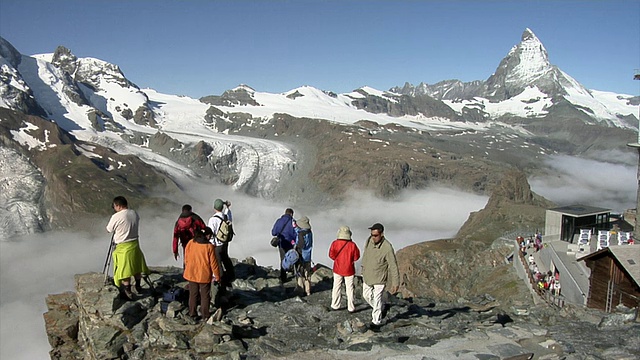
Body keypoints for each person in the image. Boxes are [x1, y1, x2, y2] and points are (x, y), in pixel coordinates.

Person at [106, 196, 150, 300]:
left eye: (114, 206)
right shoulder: (134, 213)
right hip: (134, 243)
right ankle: (138, 286)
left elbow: (109, 229)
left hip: (123, 245)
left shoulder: (116, 216)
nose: (114, 208)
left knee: (124, 268)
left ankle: (127, 290)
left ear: (118, 205)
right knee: (136, 265)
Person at [361, 223, 399, 330]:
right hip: (368, 275)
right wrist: (363, 268)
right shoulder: (369, 241)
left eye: (376, 235)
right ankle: (382, 307)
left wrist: (396, 282)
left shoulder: (387, 248)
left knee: (377, 298)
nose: (373, 237)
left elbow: (393, 265)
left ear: (382, 234)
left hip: (380, 277)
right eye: (372, 235)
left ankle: (376, 322)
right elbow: (366, 255)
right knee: (366, 295)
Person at [183, 226, 221, 321]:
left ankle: (192, 313)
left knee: (193, 294)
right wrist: (217, 276)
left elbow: (186, 257)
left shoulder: (191, 242)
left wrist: (187, 267)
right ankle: (205, 315)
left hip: (191, 273)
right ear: (207, 235)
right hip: (203, 274)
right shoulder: (209, 246)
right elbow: (213, 263)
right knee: (205, 296)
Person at [329, 225, 360, 312]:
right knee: (349, 288)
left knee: (336, 287)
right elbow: (356, 257)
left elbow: (331, 255)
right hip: (349, 269)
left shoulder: (335, 243)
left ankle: (335, 305)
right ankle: (351, 307)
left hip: (338, 268)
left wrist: (337, 259)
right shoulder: (352, 245)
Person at [208, 199, 235, 290]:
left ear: (214, 207)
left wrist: (212, 245)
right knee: (225, 258)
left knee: (217, 263)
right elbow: (229, 216)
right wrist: (227, 208)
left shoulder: (213, 219)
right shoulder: (226, 216)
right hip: (225, 242)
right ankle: (231, 275)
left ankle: (221, 280)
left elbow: (211, 233)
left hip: (217, 244)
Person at [271, 208, 296, 283]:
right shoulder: (293, 222)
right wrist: (293, 241)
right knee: (292, 257)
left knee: (283, 259)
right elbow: (296, 233)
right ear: (291, 214)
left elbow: (273, 232)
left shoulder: (279, 221)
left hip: (281, 243)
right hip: (290, 243)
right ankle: (293, 272)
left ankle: (283, 277)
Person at [293, 216, 313, 296]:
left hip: (301, 256)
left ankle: (300, 290)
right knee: (307, 273)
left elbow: (300, 245)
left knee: (299, 273)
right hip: (308, 256)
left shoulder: (301, 234)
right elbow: (301, 232)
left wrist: (294, 244)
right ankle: (308, 290)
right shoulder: (309, 232)